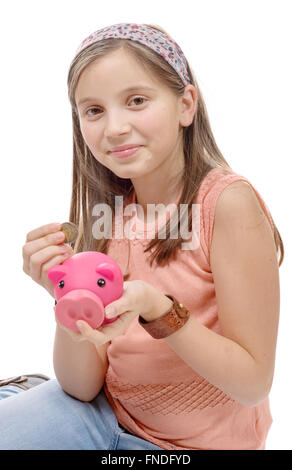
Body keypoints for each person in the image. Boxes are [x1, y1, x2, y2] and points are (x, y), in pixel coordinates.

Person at [0, 22, 283, 450]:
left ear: (185, 105)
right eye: (93, 110)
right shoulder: (105, 214)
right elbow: (81, 387)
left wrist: (159, 310)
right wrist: (65, 297)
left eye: (136, 101)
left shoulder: (225, 205)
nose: (114, 127)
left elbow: (252, 384)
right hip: (104, 417)